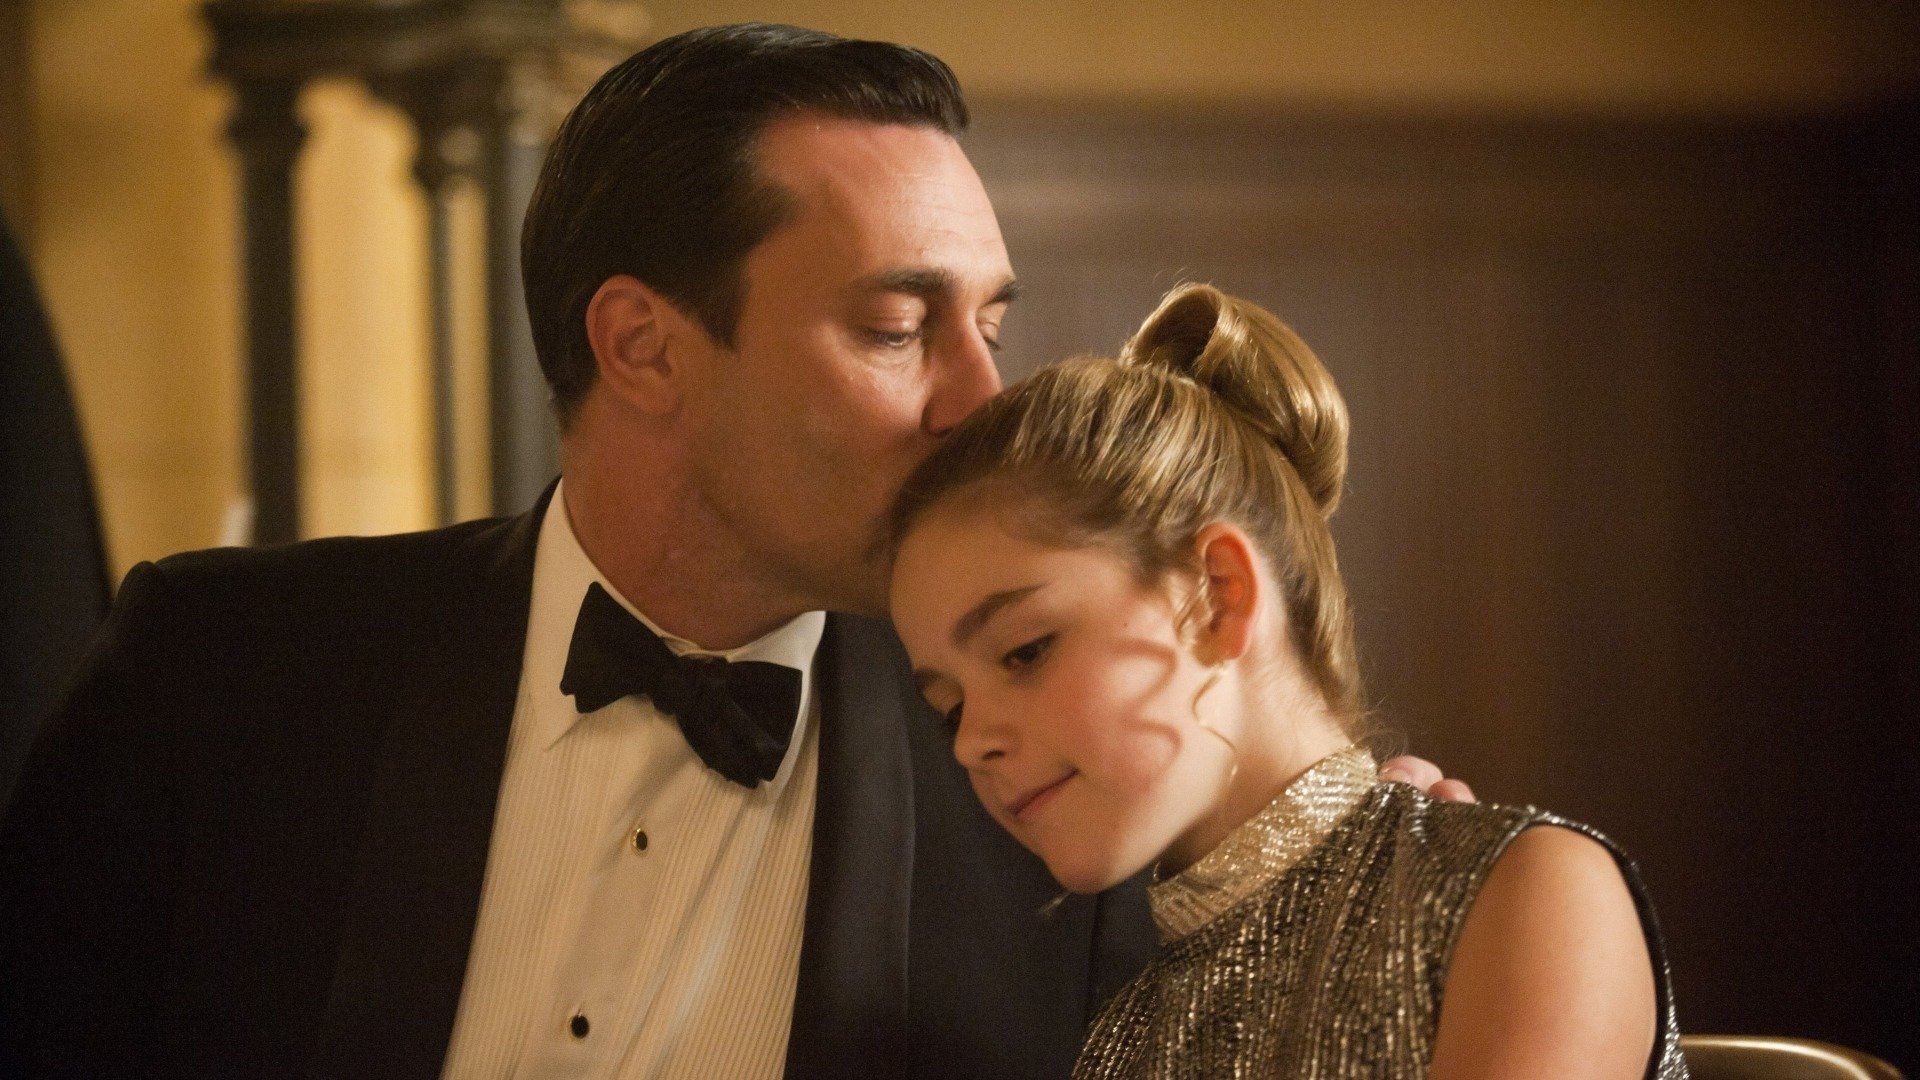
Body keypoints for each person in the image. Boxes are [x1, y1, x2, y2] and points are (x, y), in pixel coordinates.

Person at [0, 23, 1460, 1080]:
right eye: (899, 327)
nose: (980, 400)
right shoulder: (226, 673)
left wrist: (1350, 882)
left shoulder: (1062, 780)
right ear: (643, 347)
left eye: (990, 325)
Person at [887, 283, 1688, 1079]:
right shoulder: (1119, 1025)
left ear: (1219, 593)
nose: (971, 743)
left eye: (1024, 651)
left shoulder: (1525, 893)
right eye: (948, 708)